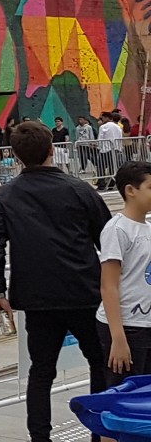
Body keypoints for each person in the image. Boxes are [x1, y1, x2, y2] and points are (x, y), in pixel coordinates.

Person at [0, 121, 111, 442]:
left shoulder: (5, 195)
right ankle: (101, 433)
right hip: (85, 292)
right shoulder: (80, 189)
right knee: (100, 363)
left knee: (41, 371)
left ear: (15, 155)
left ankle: (40, 437)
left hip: (36, 297)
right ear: (53, 149)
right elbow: (108, 240)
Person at [100, 161, 151, 393]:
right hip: (127, 327)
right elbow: (108, 286)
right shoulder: (117, 229)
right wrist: (118, 338)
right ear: (131, 190)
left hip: (145, 323)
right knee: (125, 396)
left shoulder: (147, 227)